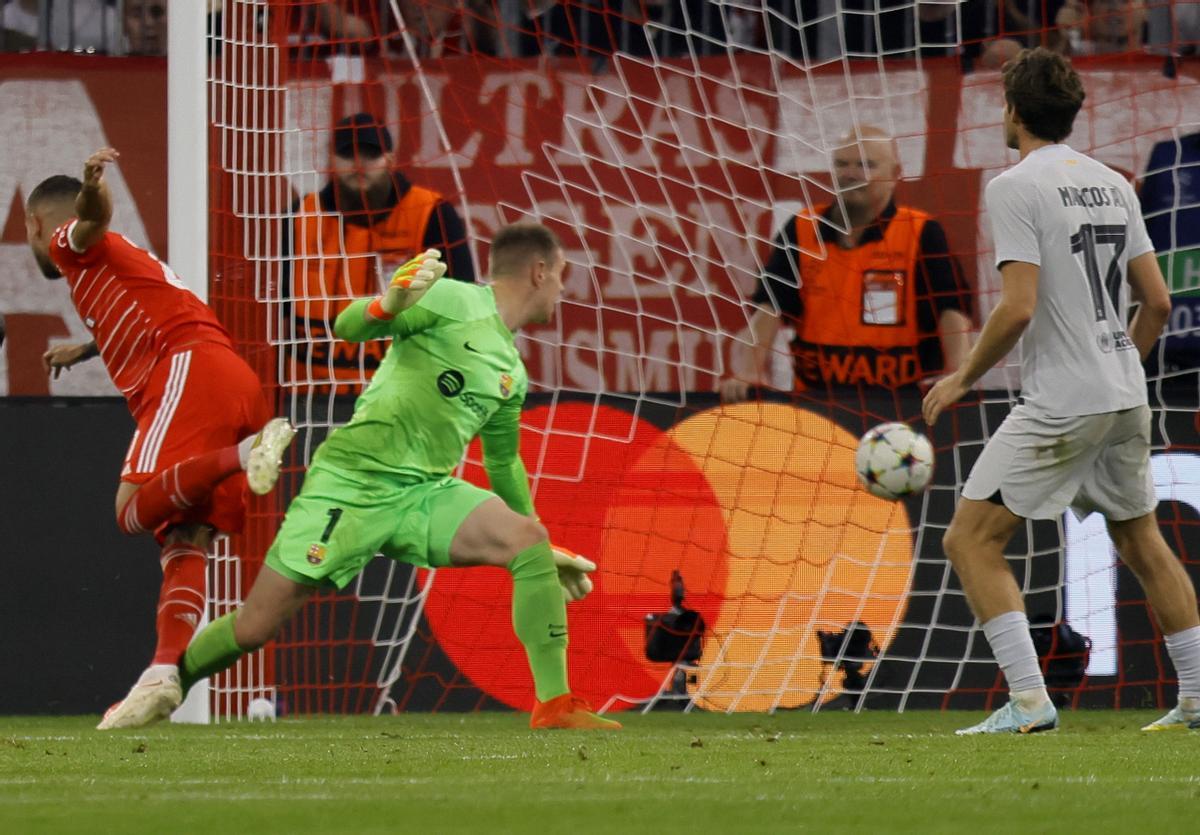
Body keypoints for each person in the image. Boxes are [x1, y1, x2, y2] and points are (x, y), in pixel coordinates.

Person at [113, 223, 620, 731]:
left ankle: (555, 705)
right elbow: (347, 325)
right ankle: (162, 684)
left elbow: (503, 462)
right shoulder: (450, 300)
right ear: (539, 272)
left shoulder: (511, 368)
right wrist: (388, 303)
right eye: (560, 275)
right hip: (351, 482)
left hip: (423, 494)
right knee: (254, 626)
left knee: (525, 540)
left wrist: (540, 542)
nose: (562, 288)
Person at [922, 48, 1199, 734]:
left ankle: (1028, 700)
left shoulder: (1014, 185)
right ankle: (1197, 695)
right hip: (1125, 392)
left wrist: (961, 377)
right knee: (1142, 540)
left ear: (1013, 111)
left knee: (969, 540)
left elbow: (1017, 308)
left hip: (1064, 399)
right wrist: (1118, 369)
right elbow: (1158, 302)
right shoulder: (1113, 182)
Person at [25, 148, 296, 730]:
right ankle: (162, 674)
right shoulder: (111, 269)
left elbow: (91, 217)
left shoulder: (68, 242)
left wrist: (94, 186)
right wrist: (88, 345)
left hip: (188, 372)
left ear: (35, 225)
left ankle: (244, 455)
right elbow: (158, 305)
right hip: (230, 377)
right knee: (184, 536)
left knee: (128, 511)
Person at [720, 127, 972, 401]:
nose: (851, 173)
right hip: (816, 398)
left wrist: (956, 373)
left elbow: (952, 309)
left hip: (902, 400)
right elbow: (769, 305)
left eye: (866, 165)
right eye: (842, 164)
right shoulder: (803, 228)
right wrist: (749, 371)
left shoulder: (921, 231)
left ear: (895, 174)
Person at [292, 112, 476, 390]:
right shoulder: (300, 217)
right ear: (332, 161)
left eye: (370, 154)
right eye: (348, 155)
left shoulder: (432, 214)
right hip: (312, 395)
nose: (359, 165)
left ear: (390, 159)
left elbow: (462, 305)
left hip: (403, 393)